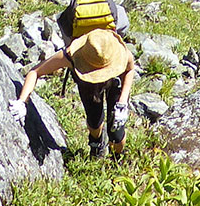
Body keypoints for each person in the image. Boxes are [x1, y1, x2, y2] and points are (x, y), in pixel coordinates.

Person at [11, 28, 136, 158]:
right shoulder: (71, 55)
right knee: (94, 121)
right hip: (89, 87)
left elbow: (129, 69)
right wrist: (22, 101)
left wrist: (122, 102)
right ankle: (96, 143)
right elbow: (35, 72)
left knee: (116, 133)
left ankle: (118, 156)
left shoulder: (120, 53)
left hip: (115, 80)